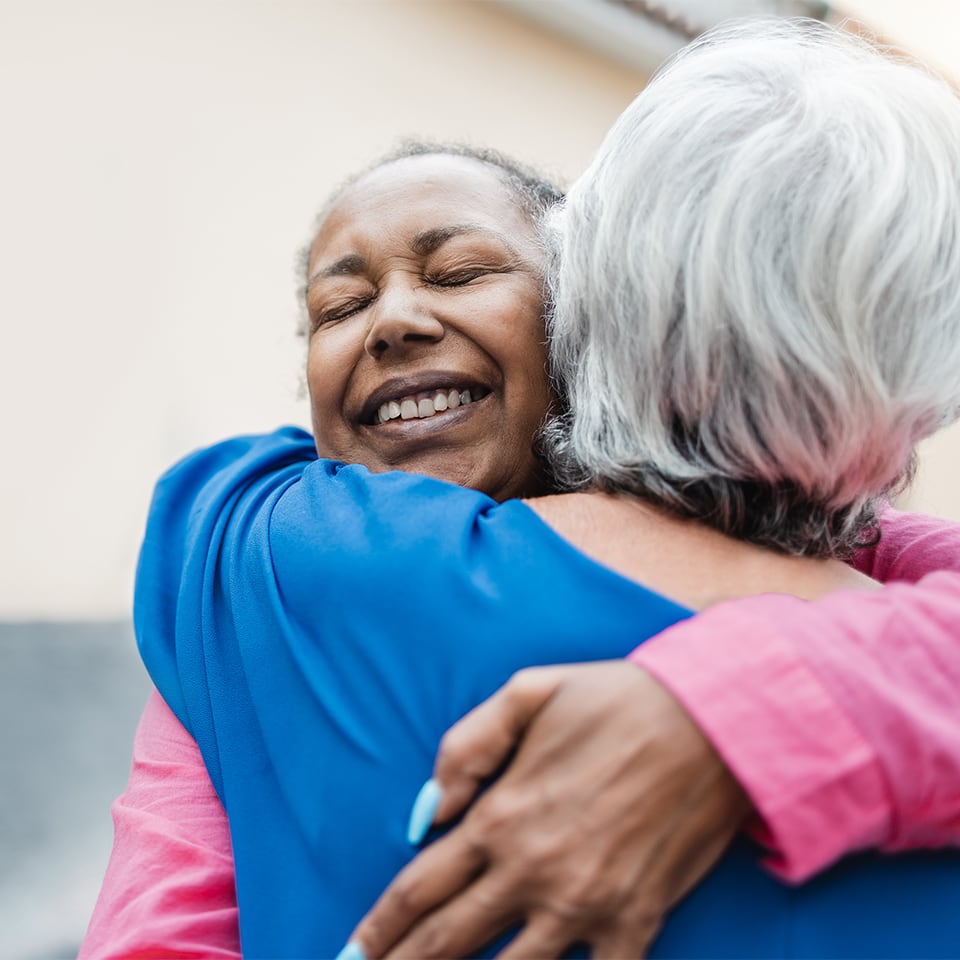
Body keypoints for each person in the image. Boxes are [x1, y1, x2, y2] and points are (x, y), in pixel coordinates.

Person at [81, 20, 960, 959]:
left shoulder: (266, 557)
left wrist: (731, 713)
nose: (394, 321)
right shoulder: (259, 586)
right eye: (336, 309)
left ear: (583, 313)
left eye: (461, 272)